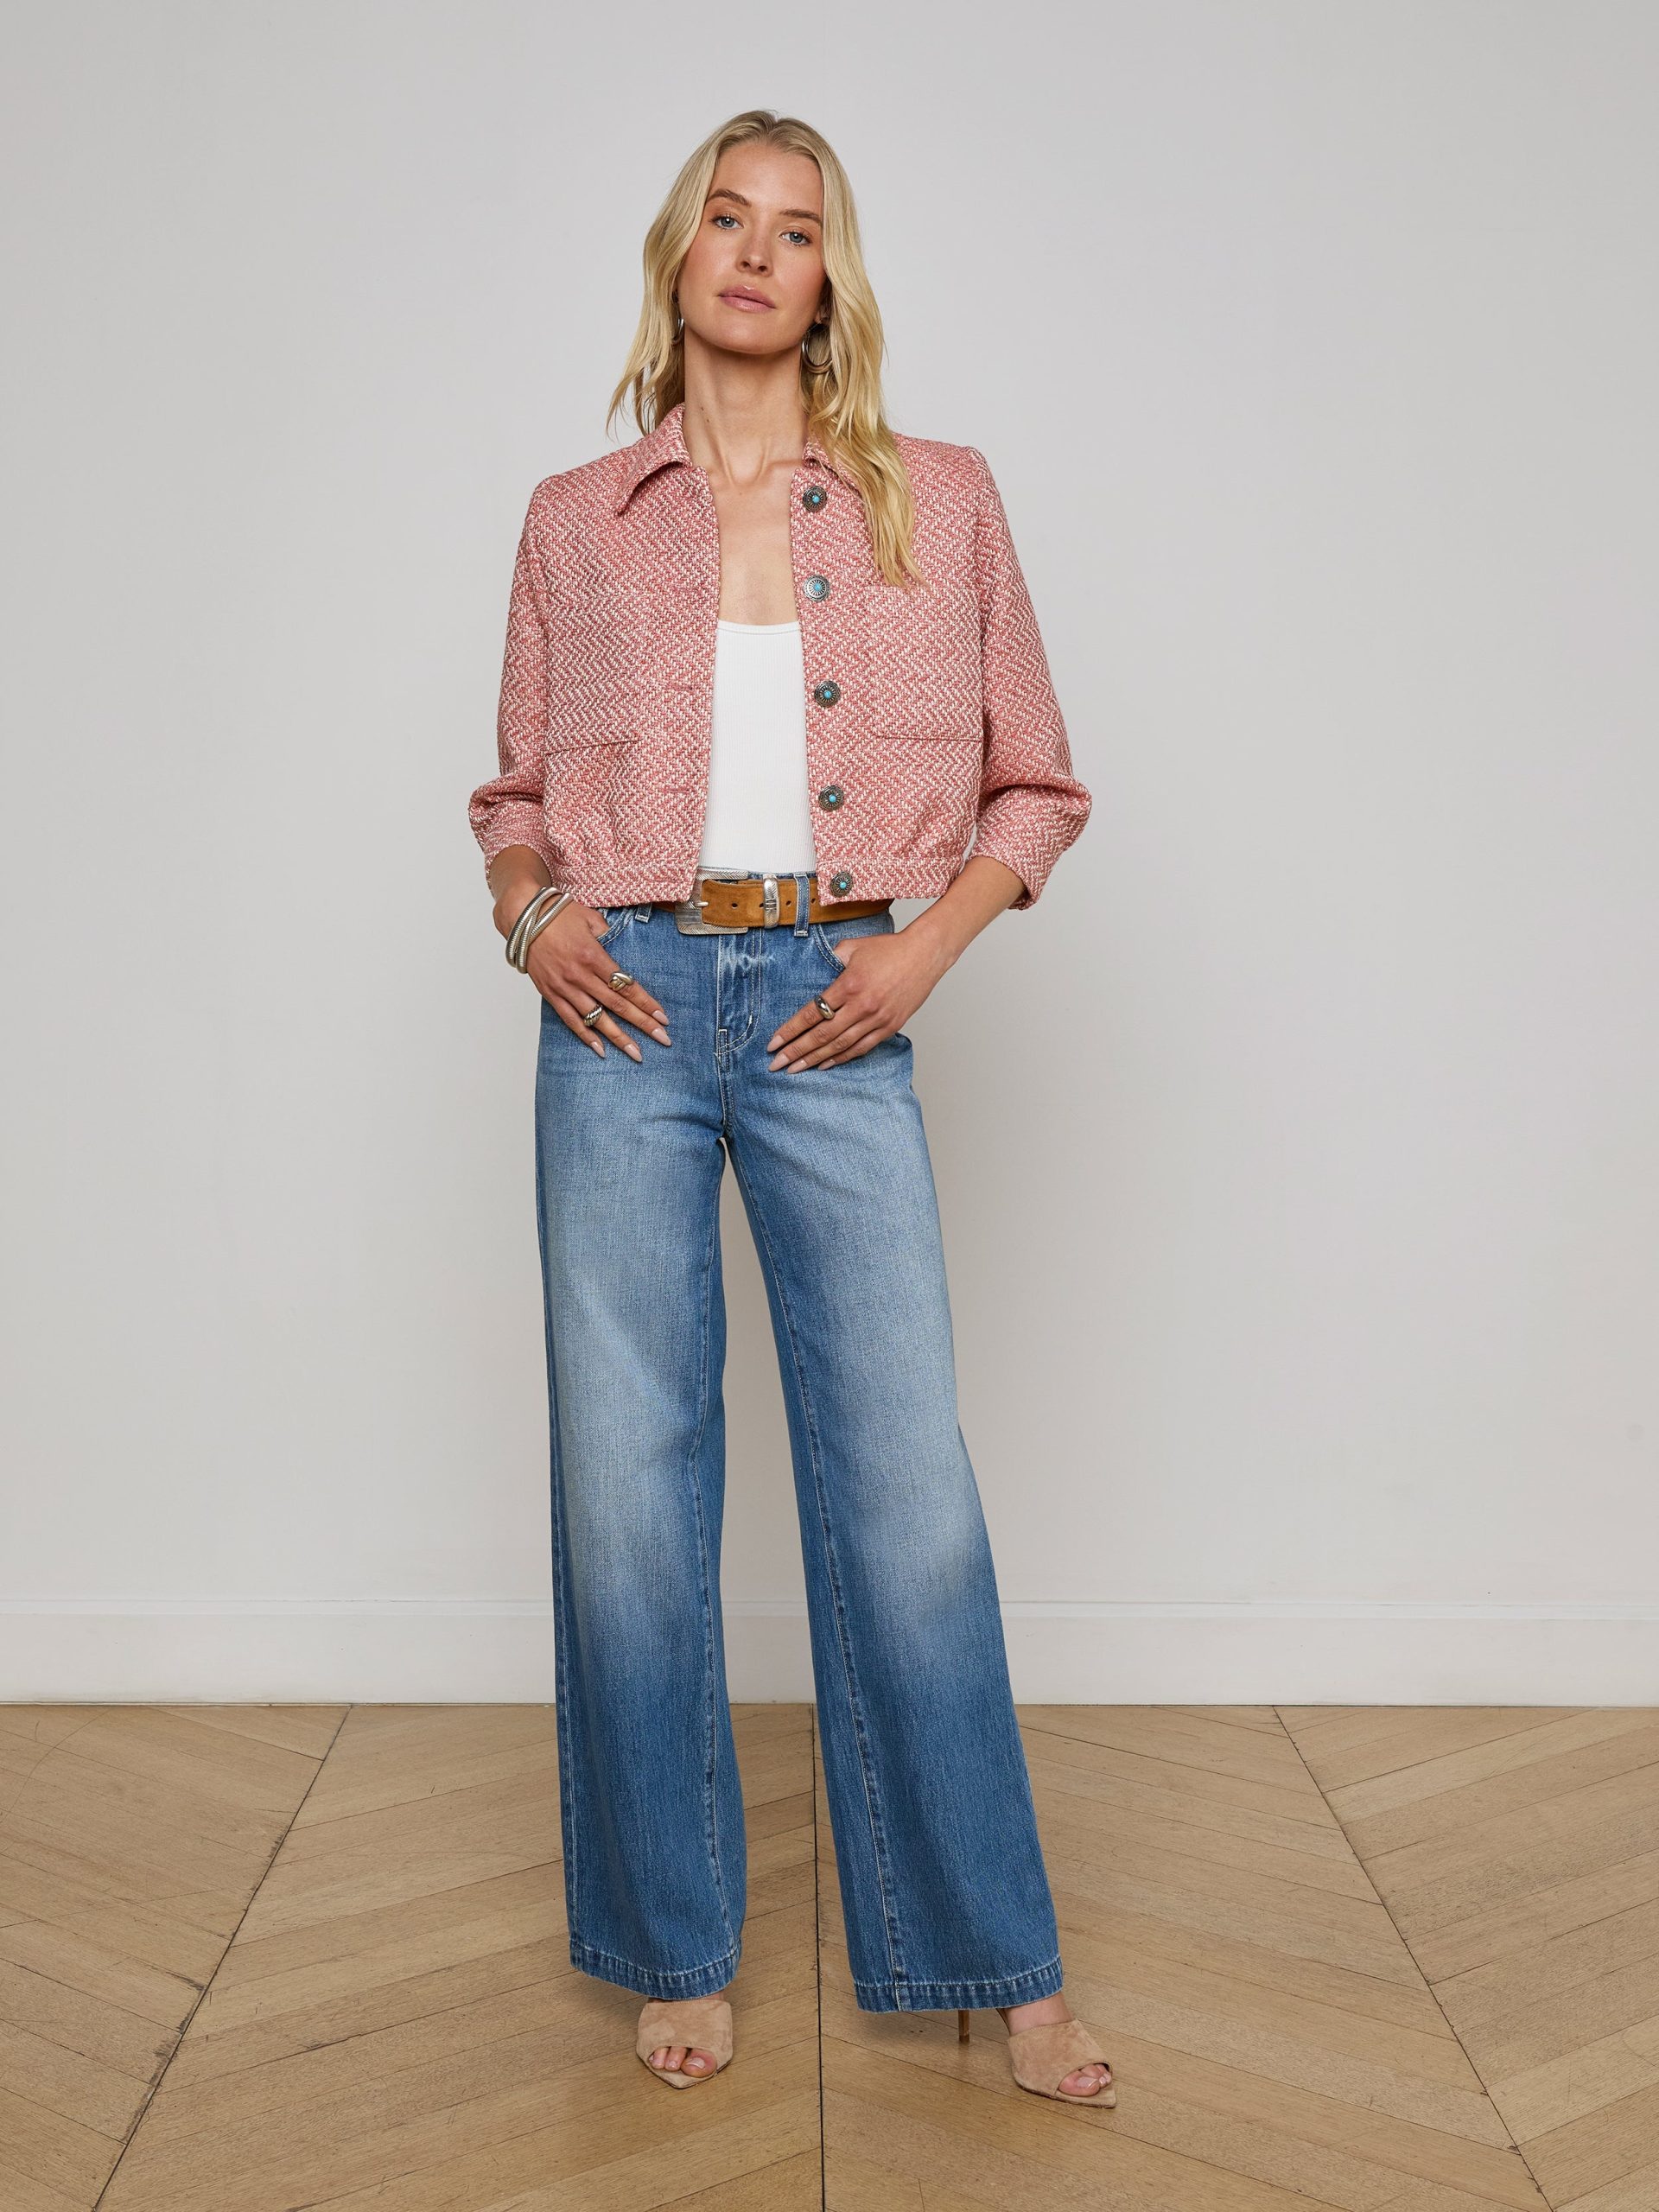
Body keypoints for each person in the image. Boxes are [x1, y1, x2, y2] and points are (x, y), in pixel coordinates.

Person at [467, 108, 1113, 2107]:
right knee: (630, 1490)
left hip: (843, 992)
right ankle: (672, 1939)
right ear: (681, 255)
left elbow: (1038, 785)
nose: (757, 252)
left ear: (833, 278)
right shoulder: (578, 518)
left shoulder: (942, 498)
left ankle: (996, 1958)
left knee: (906, 1490)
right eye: (727, 218)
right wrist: (533, 913)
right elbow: (511, 796)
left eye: (798, 228)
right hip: (623, 1010)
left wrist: (921, 956)